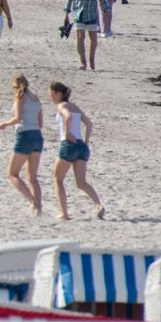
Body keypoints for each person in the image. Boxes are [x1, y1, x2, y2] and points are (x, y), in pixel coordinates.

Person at [48, 82, 105, 221]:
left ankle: (64, 213)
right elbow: (89, 124)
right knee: (81, 183)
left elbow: (67, 117)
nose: (50, 97)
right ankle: (98, 205)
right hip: (81, 147)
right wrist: (86, 141)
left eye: (51, 94)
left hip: (68, 145)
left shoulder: (62, 106)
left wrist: (68, 134)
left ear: (58, 93)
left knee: (57, 179)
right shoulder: (76, 107)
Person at [0, 74, 43, 216]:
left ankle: (32, 201)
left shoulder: (20, 97)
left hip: (24, 136)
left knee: (12, 174)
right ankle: (38, 209)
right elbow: (41, 124)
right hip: (37, 136)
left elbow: (17, 118)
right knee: (32, 177)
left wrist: (5, 124)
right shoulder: (36, 98)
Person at [65, 0, 103, 70]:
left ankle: (91, 60)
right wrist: (66, 13)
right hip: (78, 14)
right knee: (80, 37)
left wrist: (106, 8)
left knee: (93, 39)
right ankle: (83, 62)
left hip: (92, 14)